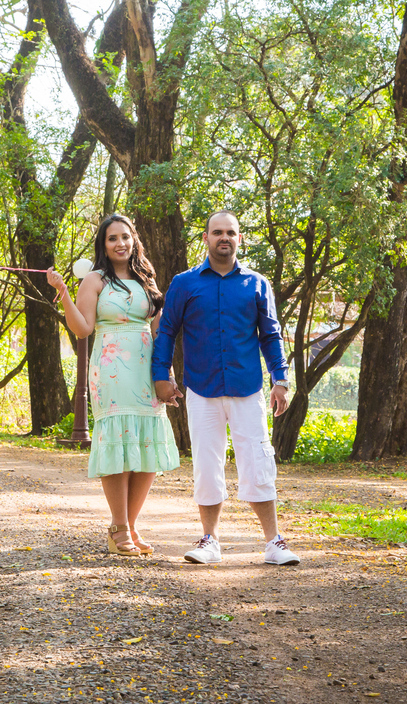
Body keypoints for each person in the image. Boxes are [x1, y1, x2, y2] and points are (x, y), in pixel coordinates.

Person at [151, 210, 299, 566]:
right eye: (217, 232)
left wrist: (280, 380)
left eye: (231, 232)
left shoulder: (257, 284)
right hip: (201, 389)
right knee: (206, 464)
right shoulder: (184, 284)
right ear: (206, 238)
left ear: (239, 238)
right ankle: (210, 541)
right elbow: (167, 331)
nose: (224, 238)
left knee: (258, 461)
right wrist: (161, 376)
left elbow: (271, 335)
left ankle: (273, 542)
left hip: (247, 389)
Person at [48, 214, 181, 556]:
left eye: (125, 236)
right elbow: (83, 328)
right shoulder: (95, 279)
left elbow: (159, 332)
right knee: (118, 441)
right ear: (103, 245)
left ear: (134, 240)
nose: (120, 243)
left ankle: (129, 526)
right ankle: (118, 525)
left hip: (146, 368)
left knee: (146, 442)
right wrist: (63, 292)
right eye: (112, 238)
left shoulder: (146, 278)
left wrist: (167, 375)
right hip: (111, 370)